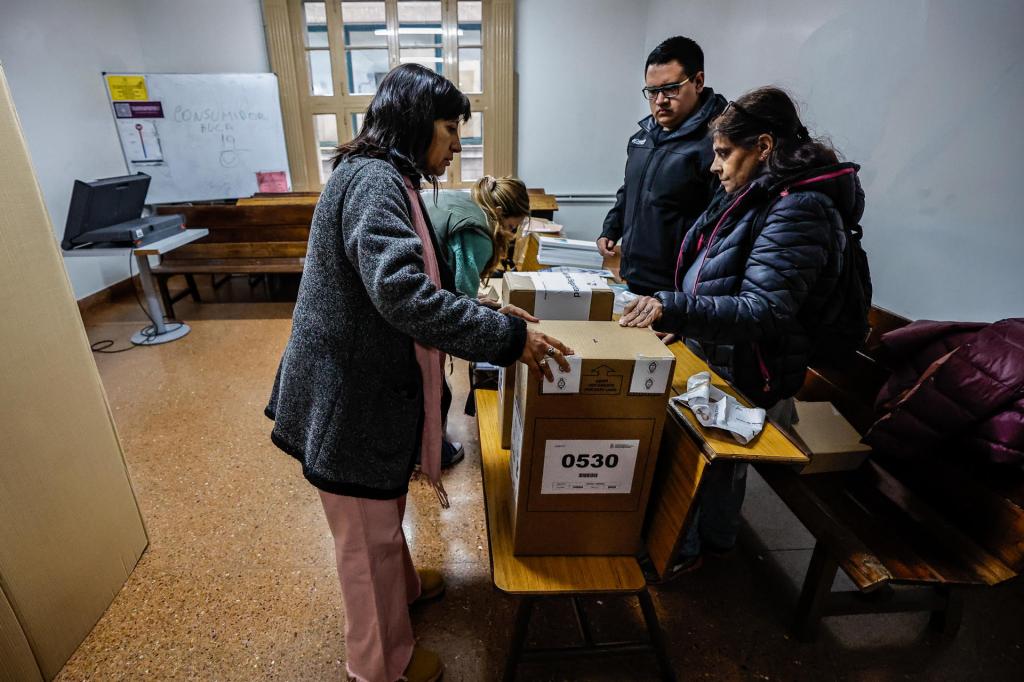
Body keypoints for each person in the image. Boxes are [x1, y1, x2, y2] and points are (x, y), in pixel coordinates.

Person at [265, 64, 573, 682]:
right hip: (347, 400)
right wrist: (508, 337)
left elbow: (417, 283)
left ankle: (402, 586)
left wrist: (482, 308)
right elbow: (402, 294)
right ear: (414, 122)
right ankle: (378, 666)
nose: (457, 143)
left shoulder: (385, 175)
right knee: (364, 537)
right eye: (450, 127)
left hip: (362, 387)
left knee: (382, 509)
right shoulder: (377, 182)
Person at [620, 86, 865, 578]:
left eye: (724, 153)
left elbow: (764, 308)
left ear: (764, 147)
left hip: (755, 365)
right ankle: (700, 541)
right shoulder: (755, 194)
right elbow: (718, 270)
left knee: (714, 467)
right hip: (721, 353)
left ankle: (693, 552)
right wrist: (686, 325)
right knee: (700, 462)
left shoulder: (800, 208)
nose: (715, 166)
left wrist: (673, 309)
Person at [597, 35, 727, 296]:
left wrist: (689, 304)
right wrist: (612, 227)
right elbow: (630, 189)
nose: (660, 100)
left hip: (679, 289)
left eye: (671, 89)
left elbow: (722, 228)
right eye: (652, 91)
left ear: (698, 82)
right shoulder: (642, 137)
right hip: (634, 277)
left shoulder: (718, 144)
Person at [422, 176, 532, 468]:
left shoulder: (466, 201)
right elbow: (459, 312)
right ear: (500, 214)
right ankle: (429, 454)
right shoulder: (480, 234)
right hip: (415, 305)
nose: (511, 235)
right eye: (512, 227)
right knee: (432, 385)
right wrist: (498, 332)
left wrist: (474, 301)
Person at [422, 175, 531, 298]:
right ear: (498, 212)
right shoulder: (479, 237)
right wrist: (473, 300)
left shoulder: (463, 198)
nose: (511, 234)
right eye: (511, 226)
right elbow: (462, 296)